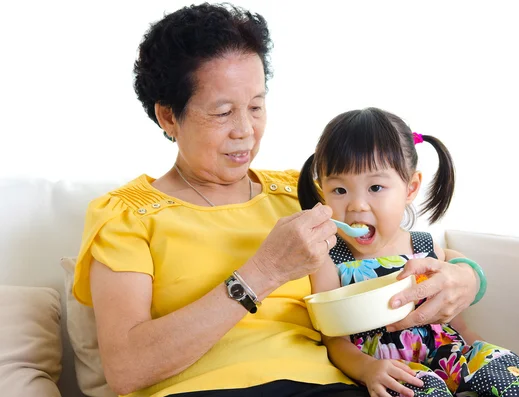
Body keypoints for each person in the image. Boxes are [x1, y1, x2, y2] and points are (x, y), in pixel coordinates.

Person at [73, 4, 483, 397]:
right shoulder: (127, 214)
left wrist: (467, 278)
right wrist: (263, 272)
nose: (245, 131)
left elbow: (391, 244)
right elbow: (126, 369)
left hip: (326, 387)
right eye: (222, 113)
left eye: (256, 106)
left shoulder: (303, 194)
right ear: (167, 116)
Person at [297, 107, 519, 397]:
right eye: (340, 190)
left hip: (453, 355)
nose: (357, 205)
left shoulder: (424, 247)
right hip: (395, 369)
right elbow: (334, 342)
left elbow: (456, 315)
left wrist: (482, 350)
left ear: (410, 188)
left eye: (376, 187)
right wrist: (367, 369)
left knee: (504, 367)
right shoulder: (330, 259)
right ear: (323, 190)